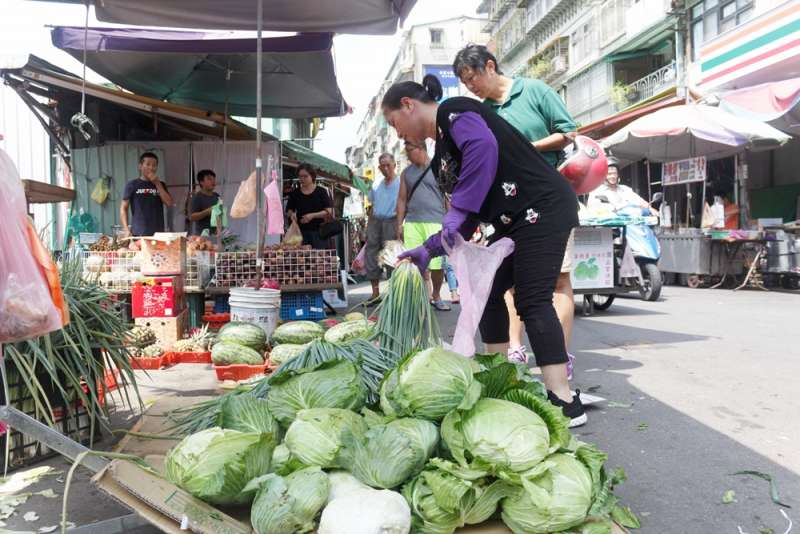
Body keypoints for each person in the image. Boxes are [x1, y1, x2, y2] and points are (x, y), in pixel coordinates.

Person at [384, 75, 585, 426]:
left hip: (542, 207)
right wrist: (427, 250)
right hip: (514, 218)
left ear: (408, 105)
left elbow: (483, 148)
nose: (397, 132)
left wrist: (458, 209)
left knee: (532, 298)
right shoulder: (442, 151)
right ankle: (497, 382)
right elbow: (466, 215)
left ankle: (564, 401)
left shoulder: (454, 111)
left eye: (393, 122)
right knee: (489, 290)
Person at [454, 44, 579, 368]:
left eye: (472, 78)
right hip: (508, 211)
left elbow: (568, 133)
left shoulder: (534, 91)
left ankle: (559, 354)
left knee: (558, 279)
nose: (471, 87)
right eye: (465, 83)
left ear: (490, 66)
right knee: (505, 282)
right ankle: (514, 347)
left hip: (548, 203)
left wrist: (525, 149)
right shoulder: (484, 114)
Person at [396, 141, 451, 311]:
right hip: (412, 222)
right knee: (416, 261)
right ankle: (422, 297)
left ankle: (436, 295)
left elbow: (447, 196)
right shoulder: (406, 173)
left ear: (421, 149)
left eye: (409, 150)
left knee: (437, 265)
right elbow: (402, 200)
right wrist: (399, 224)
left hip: (435, 221)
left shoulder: (438, 168)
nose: (407, 154)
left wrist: (451, 223)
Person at [365, 153, 401, 302]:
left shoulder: (401, 183)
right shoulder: (376, 184)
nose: (385, 168)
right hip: (375, 221)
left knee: (392, 257)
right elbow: (371, 206)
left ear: (394, 165)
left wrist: (401, 225)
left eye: (388, 165)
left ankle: (394, 294)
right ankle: (375, 294)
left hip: (392, 221)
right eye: (382, 165)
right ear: (379, 167)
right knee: (372, 256)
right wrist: (368, 226)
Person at [121, 152, 174, 237]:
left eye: (154, 165)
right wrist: (126, 229)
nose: (151, 168)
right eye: (148, 164)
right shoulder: (132, 184)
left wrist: (157, 183)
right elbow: (123, 207)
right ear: (140, 166)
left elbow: (169, 203)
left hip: (158, 234)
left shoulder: (161, 184)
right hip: (138, 233)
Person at [285, 164, 334, 249]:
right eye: (300, 176)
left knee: (320, 259)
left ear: (312, 176)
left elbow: (328, 211)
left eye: (305, 176)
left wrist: (312, 216)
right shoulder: (295, 193)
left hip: (319, 233)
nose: (302, 179)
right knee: (303, 260)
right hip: (300, 233)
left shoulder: (321, 191)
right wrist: (292, 214)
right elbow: (289, 210)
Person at [588, 159, 654, 214]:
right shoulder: (597, 191)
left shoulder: (625, 189)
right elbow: (592, 209)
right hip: (611, 225)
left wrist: (651, 209)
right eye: (609, 174)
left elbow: (639, 201)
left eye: (614, 173)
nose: (612, 176)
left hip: (632, 221)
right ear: (604, 175)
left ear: (618, 174)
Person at [189, 169, 221, 235]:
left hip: (217, 234)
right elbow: (192, 217)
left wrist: (219, 228)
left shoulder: (217, 196)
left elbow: (220, 214)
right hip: (202, 235)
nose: (213, 181)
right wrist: (206, 212)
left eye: (214, 179)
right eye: (209, 179)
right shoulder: (197, 197)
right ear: (201, 182)